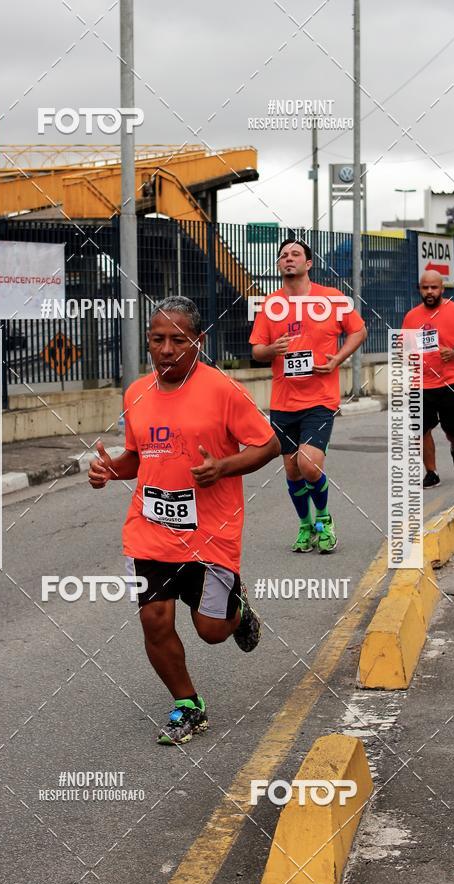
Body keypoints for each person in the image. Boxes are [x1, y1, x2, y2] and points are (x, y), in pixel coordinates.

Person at [89, 296, 280, 745]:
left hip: (211, 531)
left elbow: (268, 445)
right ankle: (188, 704)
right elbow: (137, 457)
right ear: (149, 343)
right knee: (154, 618)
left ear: (200, 340)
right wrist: (108, 470)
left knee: (211, 631)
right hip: (150, 529)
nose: (167, 349)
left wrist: (223, 468)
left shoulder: (224, 390)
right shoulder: (137, 393)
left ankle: (239, 610)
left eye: (179, 339)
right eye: (158, 339)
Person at [249, 238, 367, 553]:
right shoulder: (271, 305)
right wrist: (272, 349)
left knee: (309, 465)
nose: (289, 258)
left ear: (308, 263)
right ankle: (305, 526)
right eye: (283, 255)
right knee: (291, 470)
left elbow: (358, 330)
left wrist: (337, 359)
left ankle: (324, 519)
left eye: (296, 254)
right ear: (279, 264)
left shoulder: (331, 298)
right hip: (283, 403)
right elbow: (257, 350)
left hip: (319, 400)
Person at [402, 270, 454, 488]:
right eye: (425, 287)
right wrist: (406, 354)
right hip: (421, 382)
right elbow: (407, 348)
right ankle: (432, 472)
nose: (429, 292)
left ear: (442, 289)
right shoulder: (411, 316)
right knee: (421, 428)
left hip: (453, 380)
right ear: (419, 288)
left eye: (433, 287)